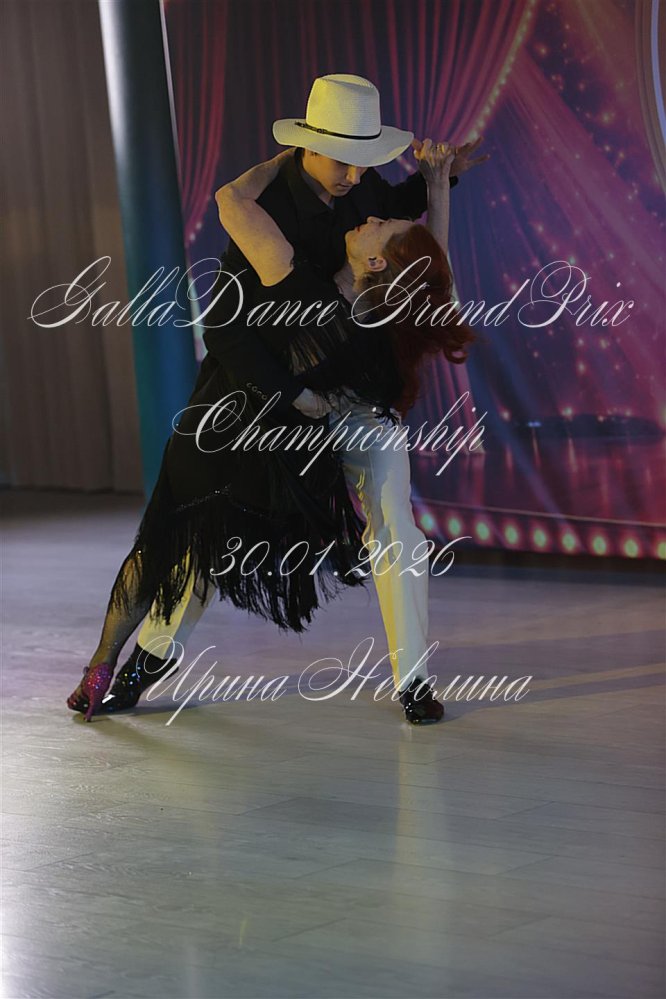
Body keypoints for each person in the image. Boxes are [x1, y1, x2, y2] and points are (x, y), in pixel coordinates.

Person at [67, 74, 482, 722]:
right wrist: (292, 398)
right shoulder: (267, 219)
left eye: (362, 162)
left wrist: (438, 181)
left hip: (355, 389)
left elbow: (411, 241)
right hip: (268, 396)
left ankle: (414, 679)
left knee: (394, 518)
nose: (356, 181)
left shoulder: (359, 189)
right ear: (309, 147)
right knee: (208, 534)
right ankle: (149, 654)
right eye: (343, 162)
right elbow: (226, 332)